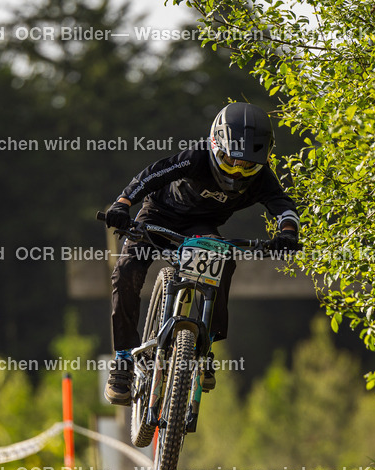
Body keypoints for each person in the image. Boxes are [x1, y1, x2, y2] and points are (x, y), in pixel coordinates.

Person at [102, 102, 301, 405]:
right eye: (228, 159)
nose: (236, 170)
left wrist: (287, 233)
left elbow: (283, 206)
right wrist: (123, 204)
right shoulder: (195, 159)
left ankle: (204, 350)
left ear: (262, 162)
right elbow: (150, 175)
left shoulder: (262, 180)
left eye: (247, 165)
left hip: (201, 226)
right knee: (127, 270)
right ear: (214, 146)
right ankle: (123, 360)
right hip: (157, 216)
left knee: (224, 261)